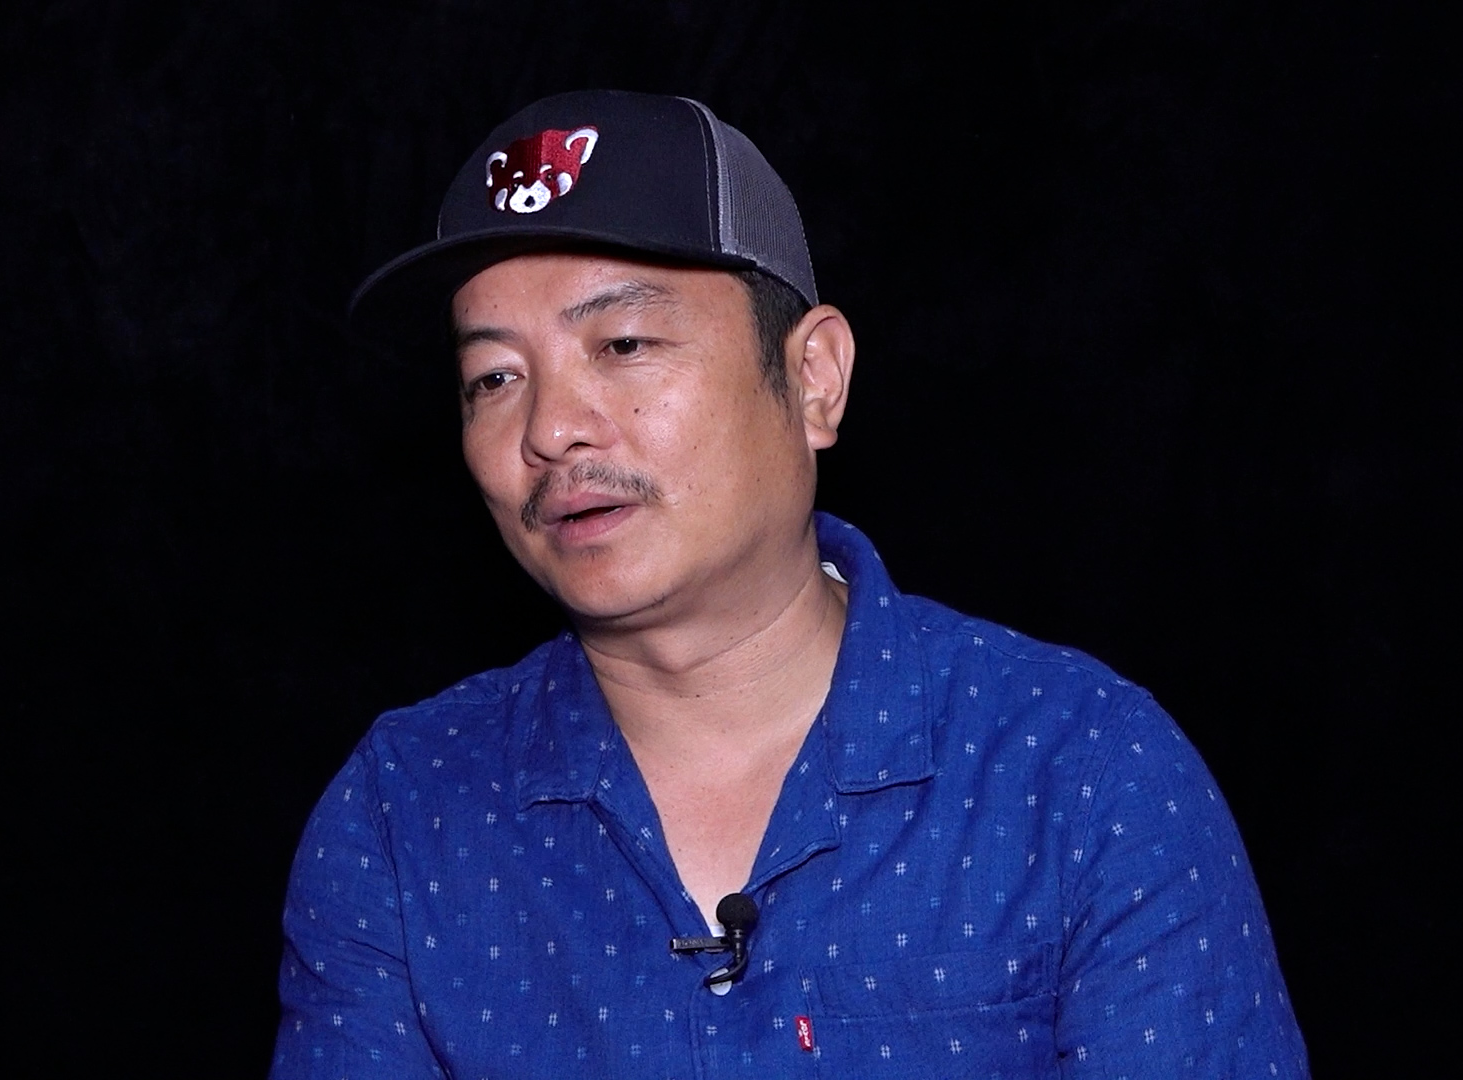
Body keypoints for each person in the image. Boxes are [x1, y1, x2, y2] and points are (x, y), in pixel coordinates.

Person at [271, 90, 1308, 1079]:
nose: (550, 430)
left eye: (623, 344)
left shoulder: (1082, 774)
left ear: (814, 378)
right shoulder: (404, 815)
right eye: (494, 378)